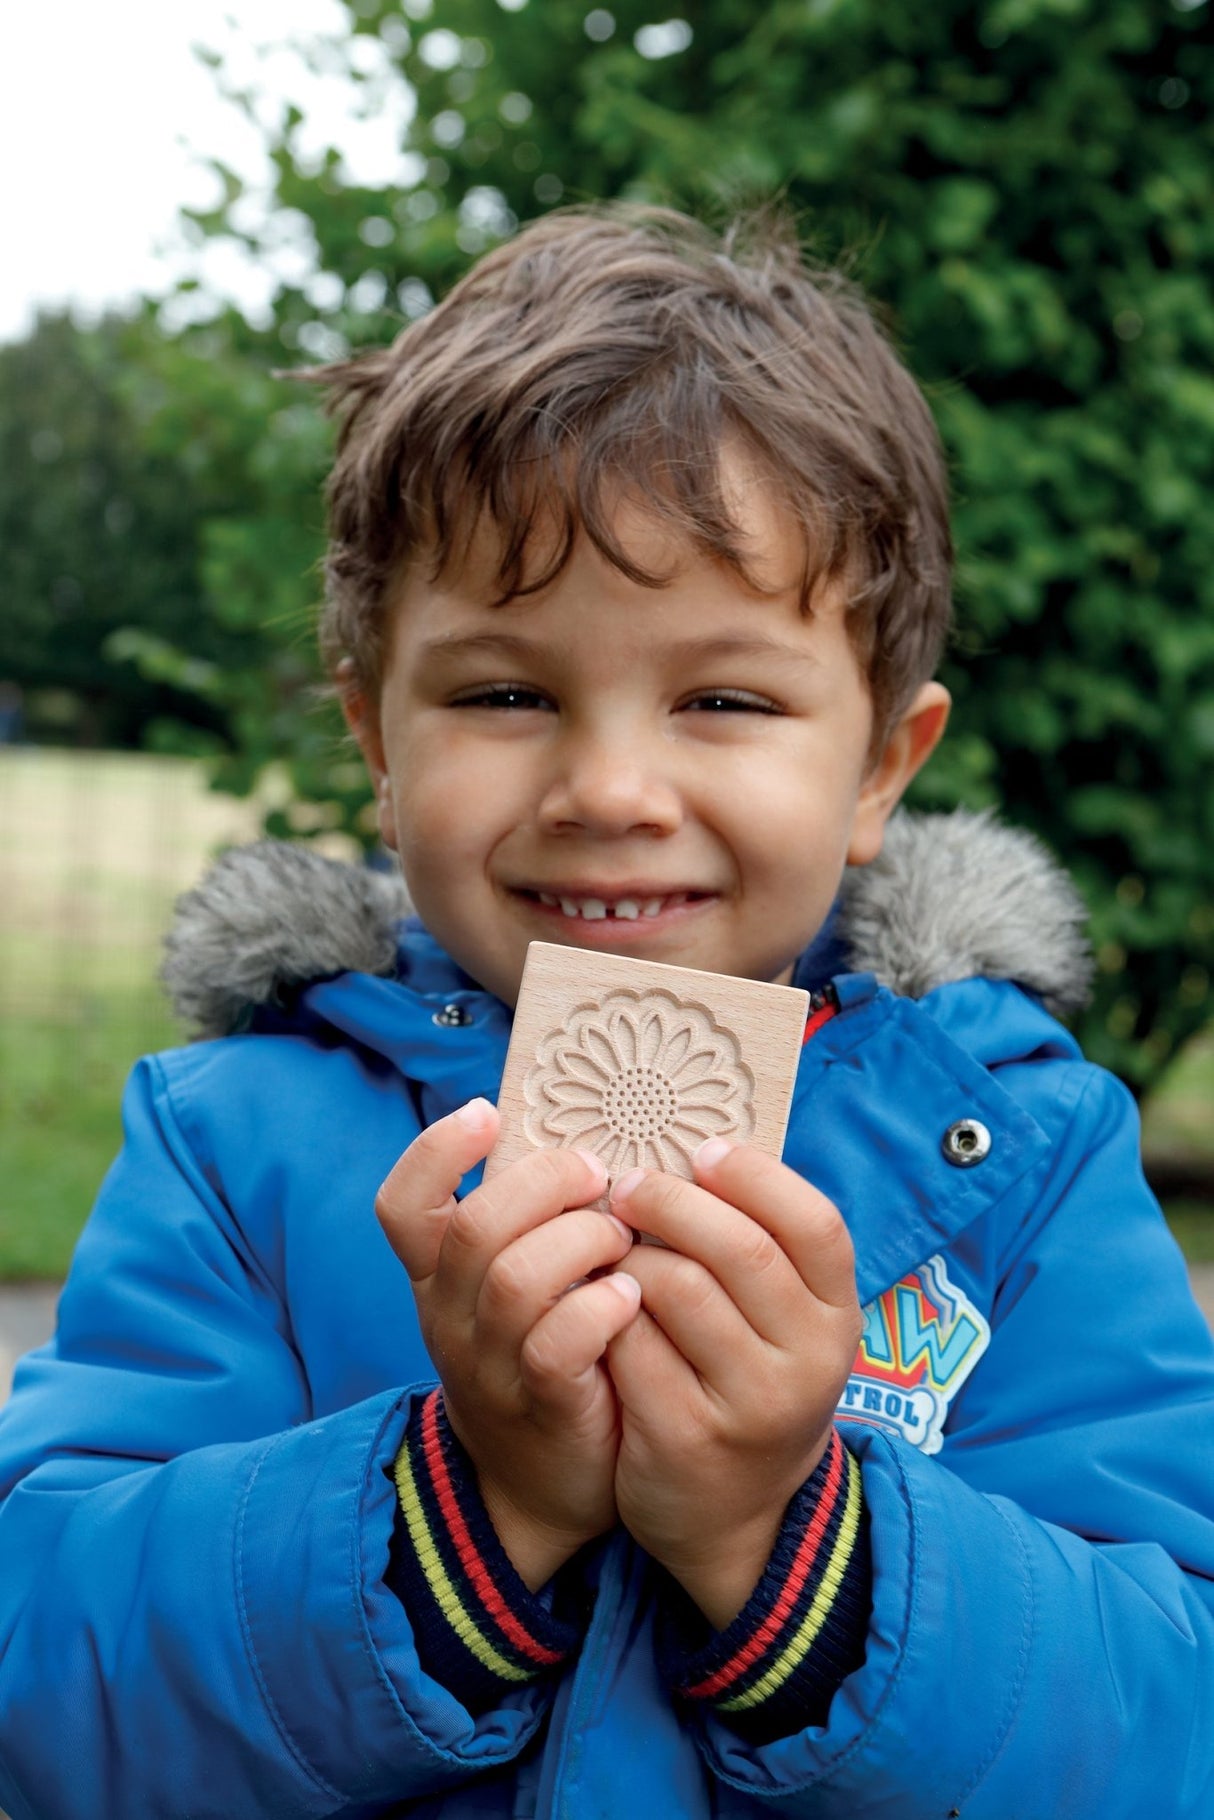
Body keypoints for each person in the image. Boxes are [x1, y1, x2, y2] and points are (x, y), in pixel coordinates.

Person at [1, 206, 1212, 1820]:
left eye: (723, 699)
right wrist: (465, 1509)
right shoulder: (234, 1145)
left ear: (879, 766)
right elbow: (44, 1684)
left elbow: (1173, 1721)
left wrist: (786, 1543)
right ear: (379, 743)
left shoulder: (1019, 1156)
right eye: (504, 693)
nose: (611, 790)